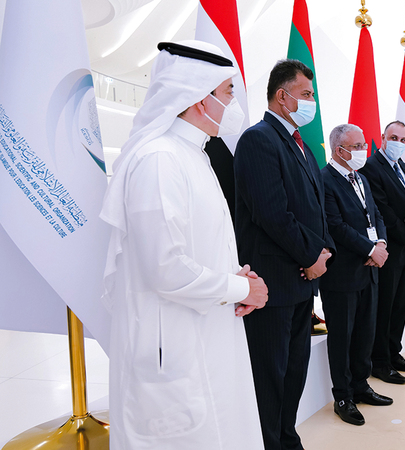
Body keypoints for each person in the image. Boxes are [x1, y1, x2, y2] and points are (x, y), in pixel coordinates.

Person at [100, 41, 268, 449]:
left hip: (206, 330)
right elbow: (165, 267)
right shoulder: (159, 159)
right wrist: (241, 288)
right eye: (228, 92)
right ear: (199, 99)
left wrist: (236, 279)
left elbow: (197, 246)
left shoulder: (193, 154)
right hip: (171, 347)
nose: (233, 104)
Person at [234, 59, 336, 450]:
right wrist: (311, 257)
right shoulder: (258, 140)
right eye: (306, 94)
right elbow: (273, 214)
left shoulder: (301, 145)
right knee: (270, 376)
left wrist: (323, 254)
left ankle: (287, 439)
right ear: (282, 96)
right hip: (272, 285)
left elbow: (317, 209)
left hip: (302, 283)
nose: (311, 102)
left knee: (294, 373)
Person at [319, 124, 393, 426]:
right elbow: (335, 225)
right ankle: (343, 396)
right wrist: (369, 249)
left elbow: (375, 215)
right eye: (358, 146)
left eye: (364, 145)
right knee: (342, 337)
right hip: (342, 274)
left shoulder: (360, 178)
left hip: (369, 270)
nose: (365, 150)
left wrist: (381, 244)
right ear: (340, 150)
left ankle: (361, 386)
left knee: (365, 332)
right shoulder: (324, 180)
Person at [359, 120, 405, 384]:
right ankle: (380, 362)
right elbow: (382, 210)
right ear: (383, 138)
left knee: (400, 305)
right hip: (389, 248)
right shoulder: (371, 167)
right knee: (385, 307)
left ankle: (394, 353)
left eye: (403, 139)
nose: (399, 143)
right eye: (394, 138)